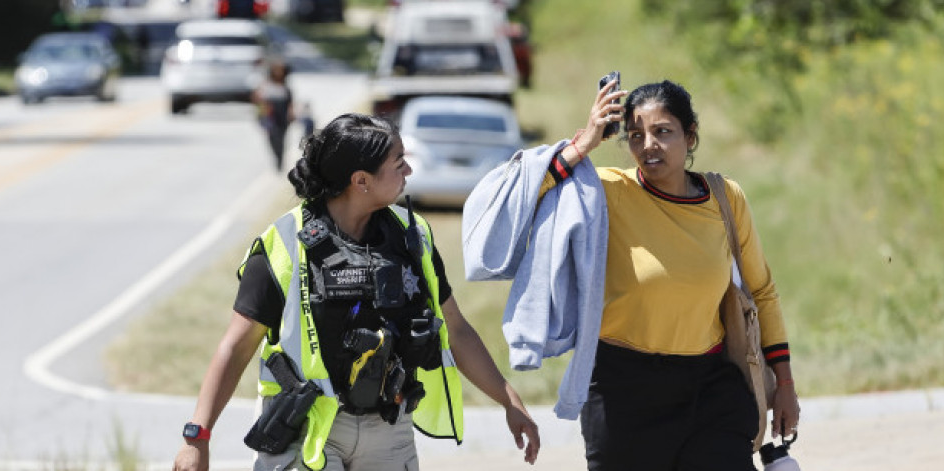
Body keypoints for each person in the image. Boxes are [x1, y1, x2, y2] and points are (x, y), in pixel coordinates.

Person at [462, 79, 801, 470]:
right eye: (636, 135)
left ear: (690, 137)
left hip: (710, 388)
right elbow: (510, 203)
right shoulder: (604, 191)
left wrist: (785, 385)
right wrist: (583, 144)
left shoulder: (726, 198)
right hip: (621, 389)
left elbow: (761, 291)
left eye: (663, 132)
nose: (648, 145)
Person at [172, 113, 540, 471]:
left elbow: (455, 330)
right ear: (361, 180)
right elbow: (236, 346)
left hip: (389, 431)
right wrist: (196, 437)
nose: (408, 172)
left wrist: (510, 402)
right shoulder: (283, 243)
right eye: (398, 163)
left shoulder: (414, 237)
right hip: (306, 427)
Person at [252, 60, 295, 171]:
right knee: (272, 138)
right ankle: (277, 158)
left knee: (281, 139)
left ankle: (280, 160)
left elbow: (290, 103)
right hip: (270, 115)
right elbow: (257, 100)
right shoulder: (265, 85)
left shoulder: (286, 86)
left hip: (283, 116)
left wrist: (291, 114)